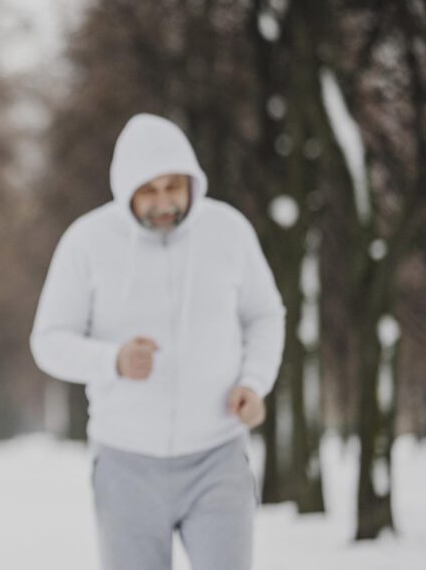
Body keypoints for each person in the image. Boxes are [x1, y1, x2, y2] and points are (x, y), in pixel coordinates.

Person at [30, 114, 285, 570]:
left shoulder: (228, 231)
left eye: (173, 187)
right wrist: (113, 360)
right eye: (148, 190)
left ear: (192, 182)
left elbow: (265, 314)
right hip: (125, 463)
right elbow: (48, 340)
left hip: (218, 457)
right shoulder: (87, 242)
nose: (164, 202)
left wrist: (254, 382)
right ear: (125, 188)